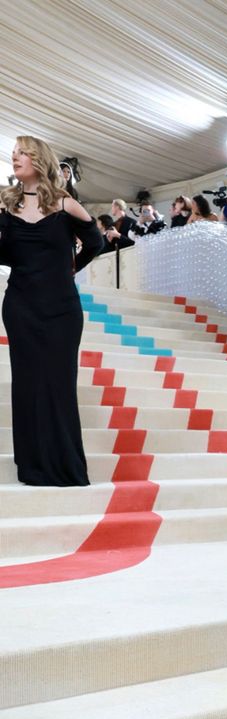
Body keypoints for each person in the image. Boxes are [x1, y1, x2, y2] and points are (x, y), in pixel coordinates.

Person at [0, 135, 103, 485]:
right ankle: (32, 467)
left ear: (38, 159)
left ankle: (64, 466)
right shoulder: (6, 205)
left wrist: (74, 265)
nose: (15, 158)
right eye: (13, 153)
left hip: (61, 309)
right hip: (21, 307)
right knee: (26, 384)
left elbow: (95, 241)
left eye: (23, 153)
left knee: (59, 384)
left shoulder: (64, 203)